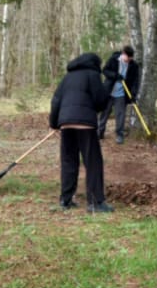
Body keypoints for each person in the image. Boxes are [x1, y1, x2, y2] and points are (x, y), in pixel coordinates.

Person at [48, 53, 113, 213]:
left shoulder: (67, 77)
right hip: (85, 125)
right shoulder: (93, 75)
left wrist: (55, 123)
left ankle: (65, 200)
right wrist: (107, 86)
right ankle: (96, 203)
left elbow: (56, 100)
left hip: (66, 124)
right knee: (93, 163)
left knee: (69, 162)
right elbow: (100, 101)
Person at [98, 46, 141, 144]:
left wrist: (133, 95)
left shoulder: (134, 66)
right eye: (127, 58)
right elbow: (105, 70)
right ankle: (100, 132)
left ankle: (119, 135)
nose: (128, 61)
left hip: (122, 94)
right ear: (123, 54)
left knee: (120, 115)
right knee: (104, 113)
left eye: (130, 59)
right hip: (109, 91)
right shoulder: (113, 60)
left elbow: (135, 82)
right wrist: (115, 76)